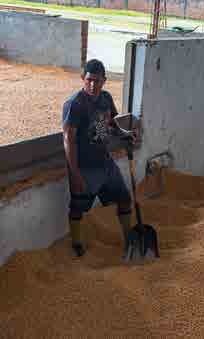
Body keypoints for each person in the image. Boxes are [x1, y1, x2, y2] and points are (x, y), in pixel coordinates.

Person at [62, 59, 135, 257]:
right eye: (89, 80)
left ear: (104, 80)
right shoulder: (74, 104)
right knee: (78, 206)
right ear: (82, 79)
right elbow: (68, 140)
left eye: (97, 81)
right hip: (84, 166)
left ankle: (130, 240)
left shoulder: (105, 98)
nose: (93, 85)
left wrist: (123, 133)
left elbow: (109, 122)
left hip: (105, 162)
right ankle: (76, 244)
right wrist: (75, 174)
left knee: (124, 199)